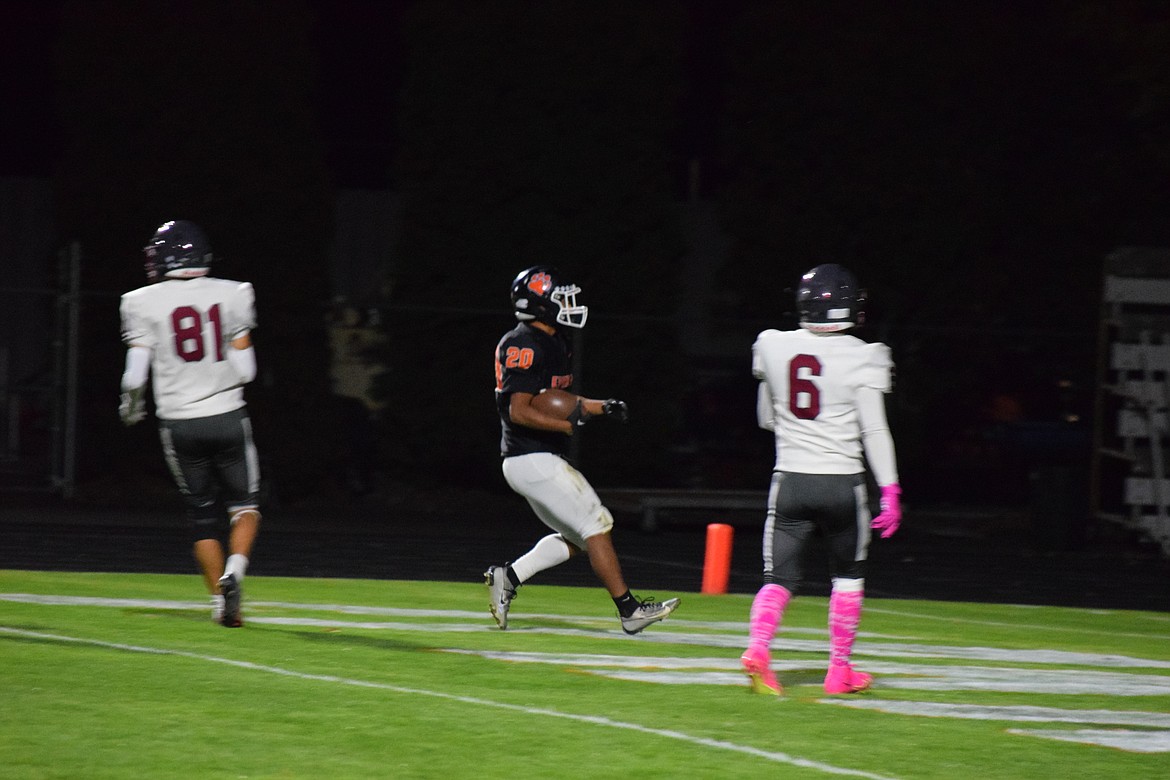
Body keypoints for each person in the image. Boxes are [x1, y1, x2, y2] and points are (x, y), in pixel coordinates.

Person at [484, 265, 680, 634]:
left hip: (536, 458)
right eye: (558, 298)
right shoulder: (523, 342)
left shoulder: (554, 340)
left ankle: (508, 577)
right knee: (596, 524)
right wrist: (562, 425)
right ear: (539, 304)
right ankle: (629, 611)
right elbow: (519, 410)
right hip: (529, 456)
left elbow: (562, 399)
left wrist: (601, 406)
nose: (566, 304)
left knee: (578, 537)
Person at [740, 263, 902, 695]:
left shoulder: (772, 345)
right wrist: (890, 489)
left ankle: (758, 648)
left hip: (790, 479)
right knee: (848, 576)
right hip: (842, 483)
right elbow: (874, 430)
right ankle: (839, 670)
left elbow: (764, 418)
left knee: (777, 580)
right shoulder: (865, 354)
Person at [119, 219, 262, 628]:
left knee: (202, 514)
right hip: (228, 414)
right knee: (245, 507)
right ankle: (235, 570)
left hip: (179, 422)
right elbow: (247, 369)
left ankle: (220, 603)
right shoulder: (233, 293)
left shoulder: (140, 301)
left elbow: (134, 378)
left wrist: (130, 410)